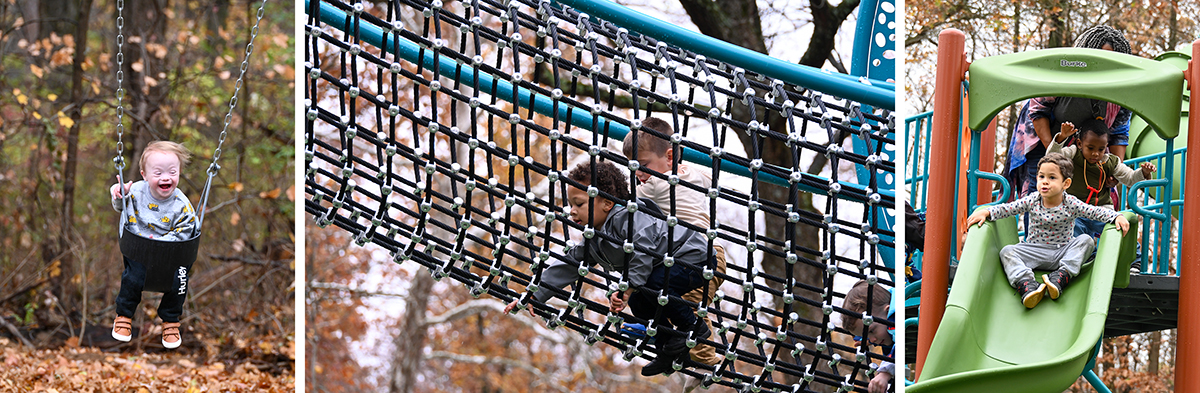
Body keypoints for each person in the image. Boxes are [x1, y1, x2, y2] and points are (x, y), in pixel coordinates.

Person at [503, 160, 715, 376]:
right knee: (638, 300)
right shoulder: (594, 238)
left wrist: (626, 289)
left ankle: (693, 327)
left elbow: (643, 252)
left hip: (693, 258)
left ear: (606, 203)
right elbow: (570, 264)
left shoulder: (630, 217)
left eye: (579, 204)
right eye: (571, 205)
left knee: (652, 285)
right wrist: (534, 295)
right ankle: (669, 348)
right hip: (665, 267)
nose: (572, 212)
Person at [621, 117, 727, 368]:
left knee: (683, 306)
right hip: (707, 254)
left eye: (643, 165)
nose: (638, 173)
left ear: (669, 157)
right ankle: (667, 343)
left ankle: (702, 361)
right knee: (663, 298)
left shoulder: (657, 184)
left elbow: (622, 202)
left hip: (696, 257)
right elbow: (707, 178)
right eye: (633, 166)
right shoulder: (696, 174)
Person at [967, 153, 1131, 308]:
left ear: (1065, 184)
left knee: (1086, 241)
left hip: (1062, 252)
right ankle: (1026, 283)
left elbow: (1094, 211)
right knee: (1007, 251)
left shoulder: (1071, 203)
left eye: (1052, 178)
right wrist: (987, 211)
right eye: (1041, 177)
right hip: (1034, 251)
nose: (1045, 182)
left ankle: (1062, 275)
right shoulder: (1032, 200)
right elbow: (1010, 208)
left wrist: (1115, 216)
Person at [1006, 25, 1134, 199]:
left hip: (1089, 147)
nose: (1106, 64)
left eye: (1113, 59)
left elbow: (1119, 133)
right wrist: (1055, 158)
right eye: (1102, 57)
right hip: (1047, 140)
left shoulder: (1121, 94)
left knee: (1091, 195)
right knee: (1044, 191)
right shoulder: (1063, 76)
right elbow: (1038, 111)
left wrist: (1114, 172)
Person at [109, 141, 198, 349]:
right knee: (132, 278)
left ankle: (171, 322)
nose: (166, 177)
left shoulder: (182, 203)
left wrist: (163, 244)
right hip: (139, 250)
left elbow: (187, 228)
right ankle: (123, 317)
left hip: (171, 254)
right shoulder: (136, 192)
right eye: (158, 173)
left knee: (180, 281)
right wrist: (118, 192)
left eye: (172, 172)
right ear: (144, 174)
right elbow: (119, 205)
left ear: (179, 173)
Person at [1048, 119, 1154, 238]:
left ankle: (1135, 256)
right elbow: (1051, 159)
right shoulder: (1074, 154)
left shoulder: (1110, 162)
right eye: (1090, 148)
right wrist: (1061, 137)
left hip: (1102, 211)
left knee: (1120, 230)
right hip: (1076, 212)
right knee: (1073, 234)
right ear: (1079, 144)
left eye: (1101, 149)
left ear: (1106, 147)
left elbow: (1130, 178)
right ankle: (1087, 255)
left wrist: (1144, 172)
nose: (1095, 154)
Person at [841, 280, 894, 393]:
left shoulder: (899, 318)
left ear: (888, 311)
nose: (873, 340)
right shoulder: (884, 328)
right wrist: (865, 338)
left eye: (872, 331)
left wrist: (885, 373)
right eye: (866, 336)